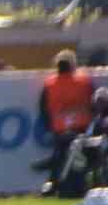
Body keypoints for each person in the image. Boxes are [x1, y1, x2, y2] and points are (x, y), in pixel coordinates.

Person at [35, 49, 95, 196]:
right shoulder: (84, 82)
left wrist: (51, 126)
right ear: (73, 65)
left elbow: (43, 108)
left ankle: (55, 185)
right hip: (81, 128)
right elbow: (93, 104)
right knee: (81, 162)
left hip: (60, 129)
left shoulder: (49, 84)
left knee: (60, 159)